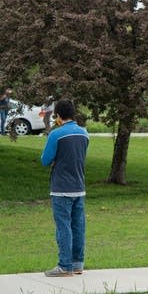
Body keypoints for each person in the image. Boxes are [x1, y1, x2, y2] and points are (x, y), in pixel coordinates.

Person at [40, 99, 89, 277]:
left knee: (63, 227)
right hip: (79, 186)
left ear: (58, 116)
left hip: (61, 188)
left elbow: (45, 160)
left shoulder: (56, 134)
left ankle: (64, 266)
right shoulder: (84, 133)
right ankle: (77, 264)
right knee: (78, 226)